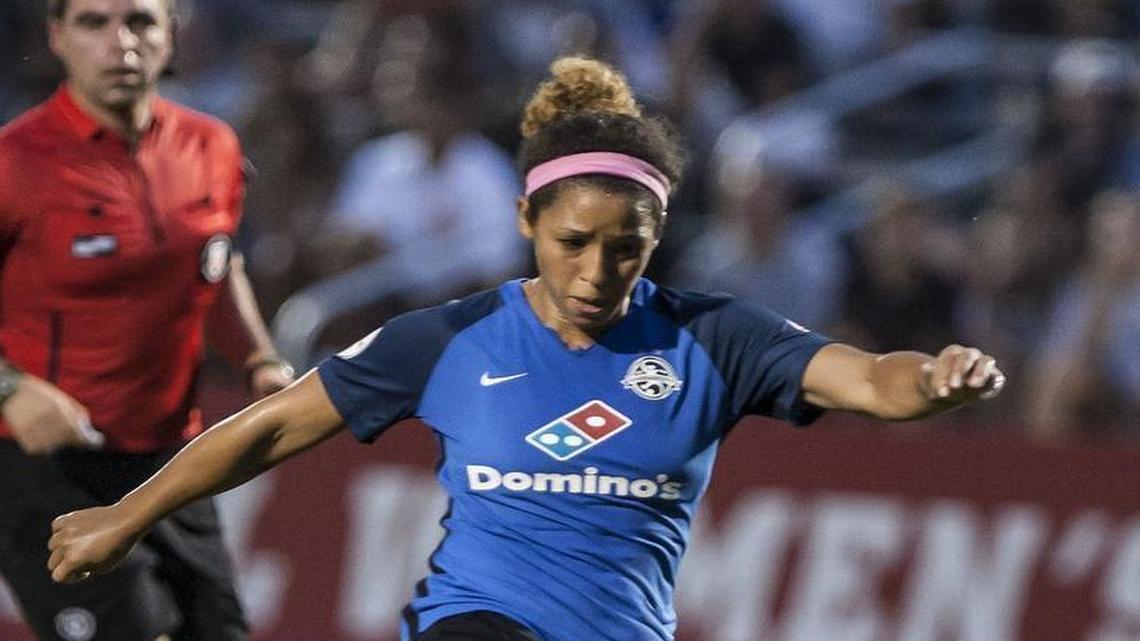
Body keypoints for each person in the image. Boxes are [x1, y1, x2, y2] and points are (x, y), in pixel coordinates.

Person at [46, 57, 1005, 641]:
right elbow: (270, 427)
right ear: (524, 222)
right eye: (572, 242)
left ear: (656, 242)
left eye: (626, 249)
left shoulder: (714, 338)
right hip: (473, 625)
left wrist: (935, 379)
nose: (597, 271)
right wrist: (126, 515)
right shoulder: (451, 337)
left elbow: (871, 381)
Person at [0, 0, 294, 639]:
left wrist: (259, 359)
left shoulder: (211, 146)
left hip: (174, 461)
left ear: (170, 36)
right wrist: (10, 388)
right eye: (94, 23)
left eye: (139, 22)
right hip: (47, 468)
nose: (121, 43)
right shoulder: (14, 162)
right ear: (56, 37)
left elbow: (216, 264)